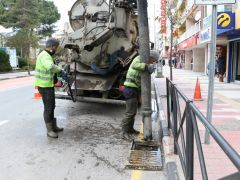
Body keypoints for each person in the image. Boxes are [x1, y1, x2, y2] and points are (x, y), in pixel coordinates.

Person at [121, 50, 159, 140]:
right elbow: (135, 65)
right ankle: (124, 132)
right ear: (151, 57)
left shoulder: (143, 61)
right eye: (153, 60)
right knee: (129, 113)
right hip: (129, 88)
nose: (153, 62)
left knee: (133, 112)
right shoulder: (138, 58)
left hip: (133, 89)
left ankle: (130, 130)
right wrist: (146, 66)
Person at [34, 38, 68, 138]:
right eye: (56, 47)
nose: (56, 49)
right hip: (44, 86)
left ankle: (54, 126)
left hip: (48, 85)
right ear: (52, 46)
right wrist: (61, 71)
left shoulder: (46, 55)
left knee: (52, 106)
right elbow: (50, 66)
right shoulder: (45, 55)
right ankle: (49, 130)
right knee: (48, 108)